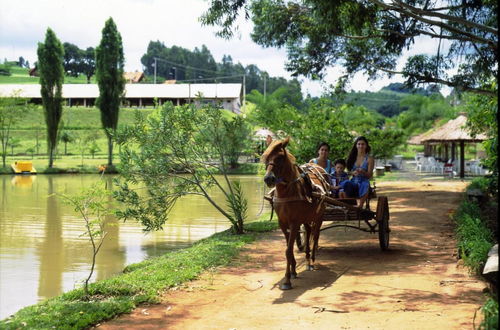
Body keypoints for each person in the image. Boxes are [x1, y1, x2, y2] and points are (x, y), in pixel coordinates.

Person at [342, 136, 374, 207]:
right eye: (359, 144)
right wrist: (352, 173)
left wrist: (363, 172)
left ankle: (360, 206)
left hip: (364, 181)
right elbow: (346, 172)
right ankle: (348, 205)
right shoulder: (351, 157)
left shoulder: (369, 159)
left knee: (365, 185)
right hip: (353, 181)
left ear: (366, 146)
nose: (360, 146)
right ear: (356, 146)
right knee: (345, 183)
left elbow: (369, 175)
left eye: (363, 144)